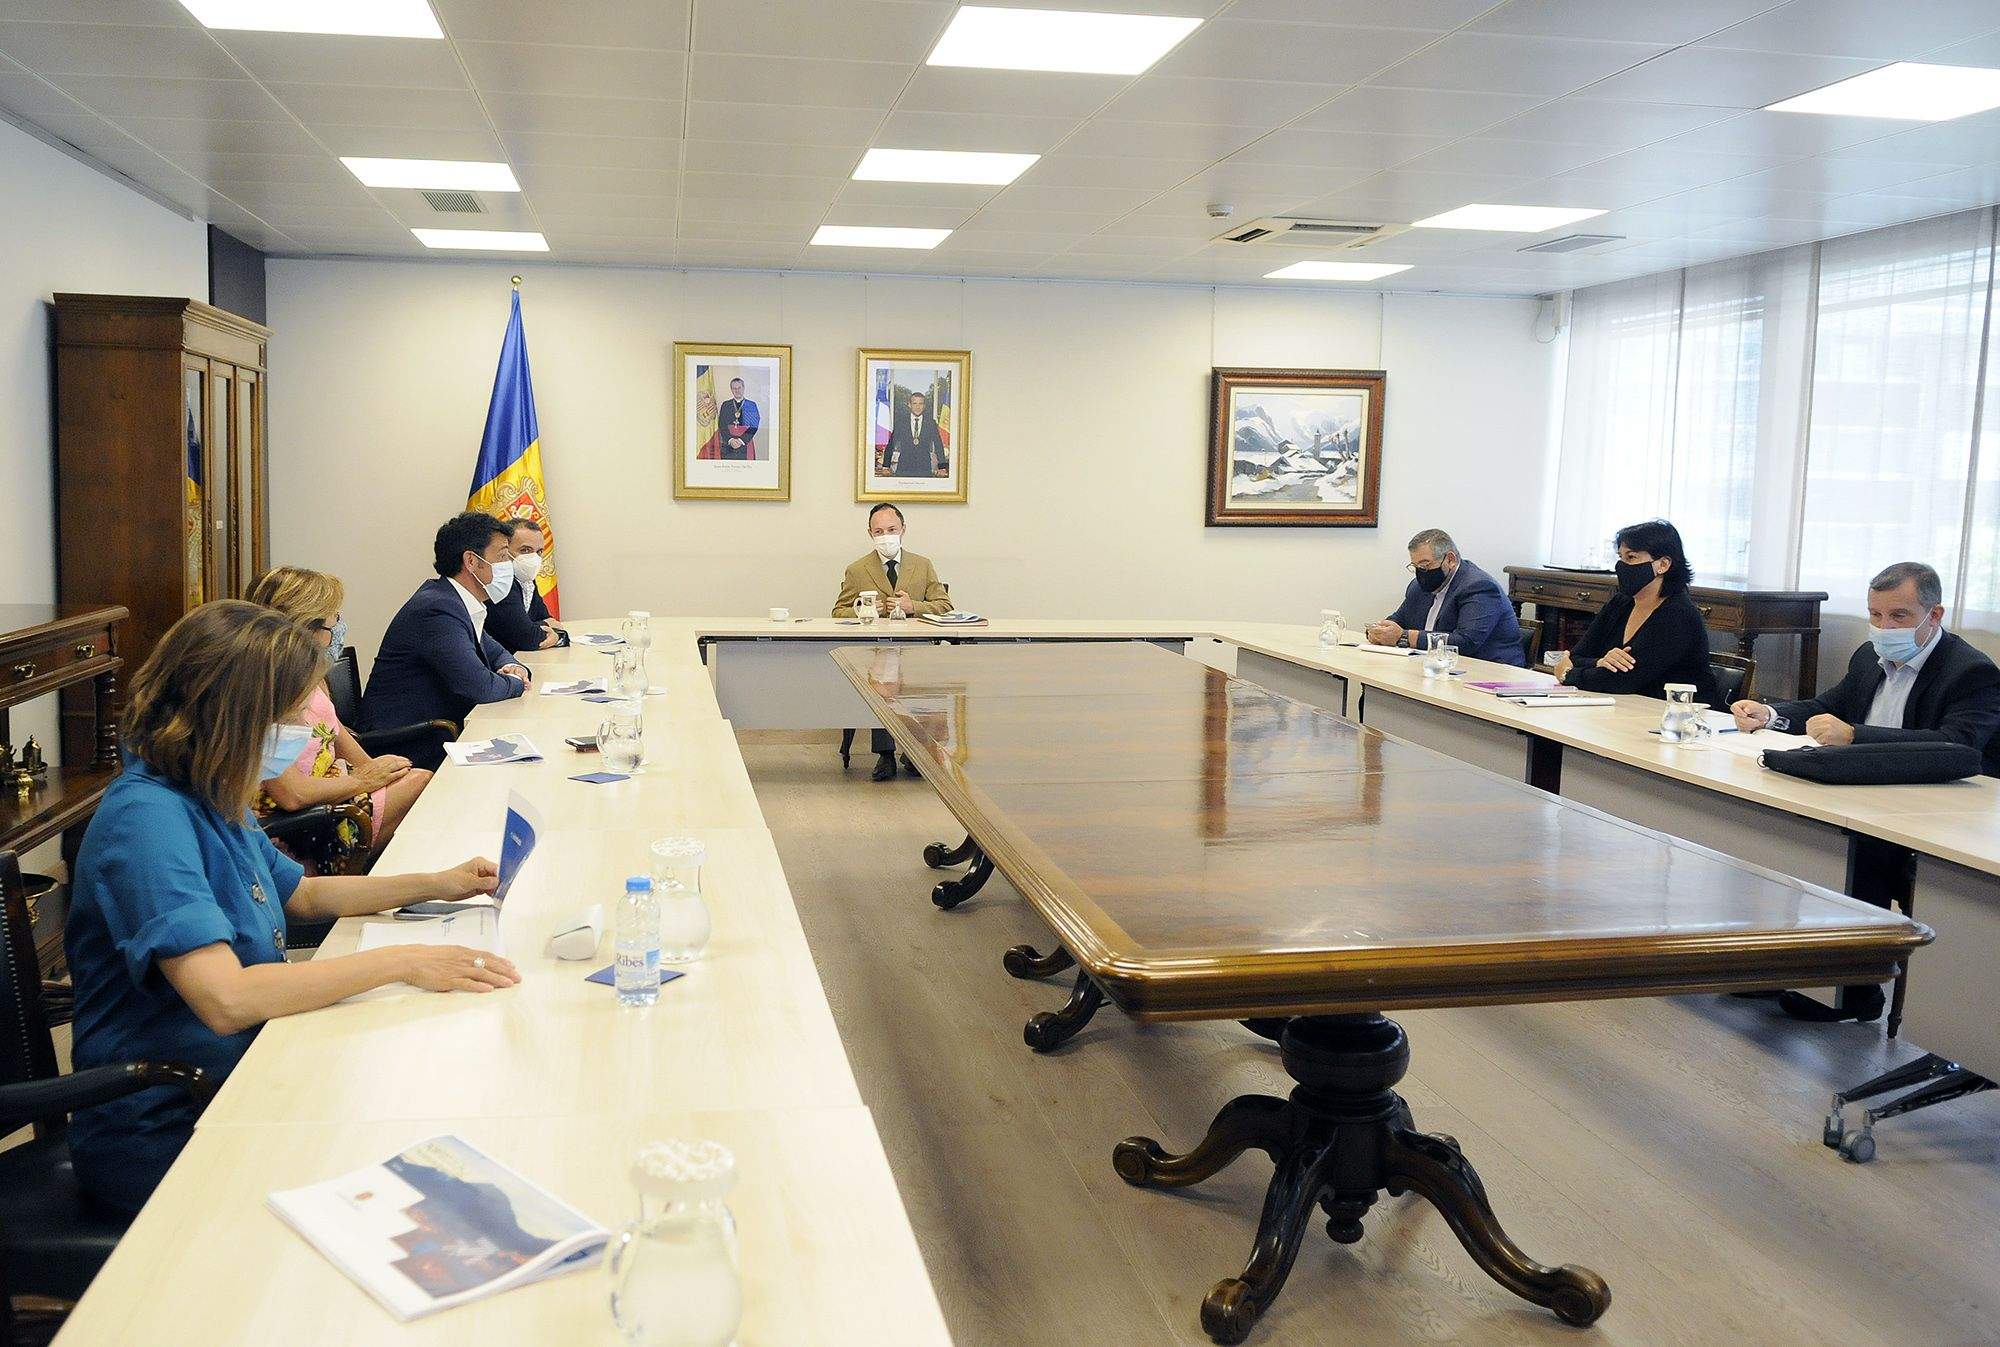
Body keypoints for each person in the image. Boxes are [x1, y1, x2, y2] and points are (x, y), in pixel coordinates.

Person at [63, 602, 519, 1216]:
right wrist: (402, 961)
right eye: (290, 715)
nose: (304, 732)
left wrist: (439, 882)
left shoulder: (208, 790)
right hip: (171, 1122)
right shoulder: (147, 820)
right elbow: (226, 998)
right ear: (234, 714)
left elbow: (301, 894)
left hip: (249, 1071)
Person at [1732, 561, 2000, 775]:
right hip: (1863, 778)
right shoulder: (1869, 655)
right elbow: (1828, 707)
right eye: (1875, 614)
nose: (1885, 627)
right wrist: (1770, 715)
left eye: (1899, 615)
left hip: (1936, 796)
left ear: (1934, 615)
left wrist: (1854, 736)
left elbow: (1955, 746)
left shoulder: (1971, 672)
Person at [248, 566, 432, 864]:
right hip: (297, 823)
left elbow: (339, 735)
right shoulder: (263, 692)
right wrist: (361, 781)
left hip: (330, 794)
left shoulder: (314, 679)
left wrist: (377, 771)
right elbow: (292, 795)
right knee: (420, 783)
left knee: (415, 780)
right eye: (333, 618)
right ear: (307, 629)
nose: (339, 627)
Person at [360, 511, 533, 769]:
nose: (508, 564)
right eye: (502, 556)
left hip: (437, 727)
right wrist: (517, 682)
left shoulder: (454, 600)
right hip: (406, 742)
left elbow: (496, 652)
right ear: (471, 561)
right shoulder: (437, 609)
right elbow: (480, 687)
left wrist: (513, 667)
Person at [833, 503, 952, 781]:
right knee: (881, 686)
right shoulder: (857, 569)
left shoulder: (922, 565)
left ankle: (914, 753)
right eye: (879, 531)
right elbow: (838, 611)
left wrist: (914, 607)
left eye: (891, 530)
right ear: (870, 534)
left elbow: (945, 606)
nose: (885, 536)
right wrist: (865, 610)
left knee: (925, 688)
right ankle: (885, 755)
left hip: (917, 652)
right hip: (875, 651)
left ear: (902, 530)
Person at [1551, 519, 1720, 706]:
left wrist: (1568, 674)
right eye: (1620, 557)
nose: (1621, 566)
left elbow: (1622, 680)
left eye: (1631, 557)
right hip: (1627, 707)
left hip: (1678, 715)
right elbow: (1575, 656)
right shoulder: (1621, 602)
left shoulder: (1678, 614)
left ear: (1663, 564)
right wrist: (1599, 662)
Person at [1365, 528, 1525, 666]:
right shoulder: (1419, 586)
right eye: (1415, 566)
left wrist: (1404, 636)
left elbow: (1465, 642)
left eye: (1425, 565)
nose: (1420, 572)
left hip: (1490, 673)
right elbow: (1399, 619)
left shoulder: (1479, 586)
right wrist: (1380, 631)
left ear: (1450, 560)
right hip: (1436, 667)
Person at [485, 517, 566, 655]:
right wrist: (550, 630)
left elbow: (551, 621)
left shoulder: (526, 579)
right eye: (525, 550)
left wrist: (553, 632)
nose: (533, 558)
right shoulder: (499, 582)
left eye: (539, 552)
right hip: (498, 663)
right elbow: (526, 638)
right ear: (504, 550)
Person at [883, 390, 948, 478]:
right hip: (904, 469)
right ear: (909, 405)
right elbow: (891, 444)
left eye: (920, 404)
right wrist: (886, 466)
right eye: (914, 403)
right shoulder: (901, 423)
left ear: (924, 406)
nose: (918, 407)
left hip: (924, 469)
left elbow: (938, 445)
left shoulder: (931, 423)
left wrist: (942, 467)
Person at [718, 377, 759, 460]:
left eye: (739, 388)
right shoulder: (726, 405)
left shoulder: (751, 405)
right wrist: (730, 440)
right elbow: (722, 424)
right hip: (728, 444)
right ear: (731, 389)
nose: (737, 390)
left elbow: (754, 426)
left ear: (743, 388)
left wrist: (741, 440)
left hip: (745, 442)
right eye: (734, 388)